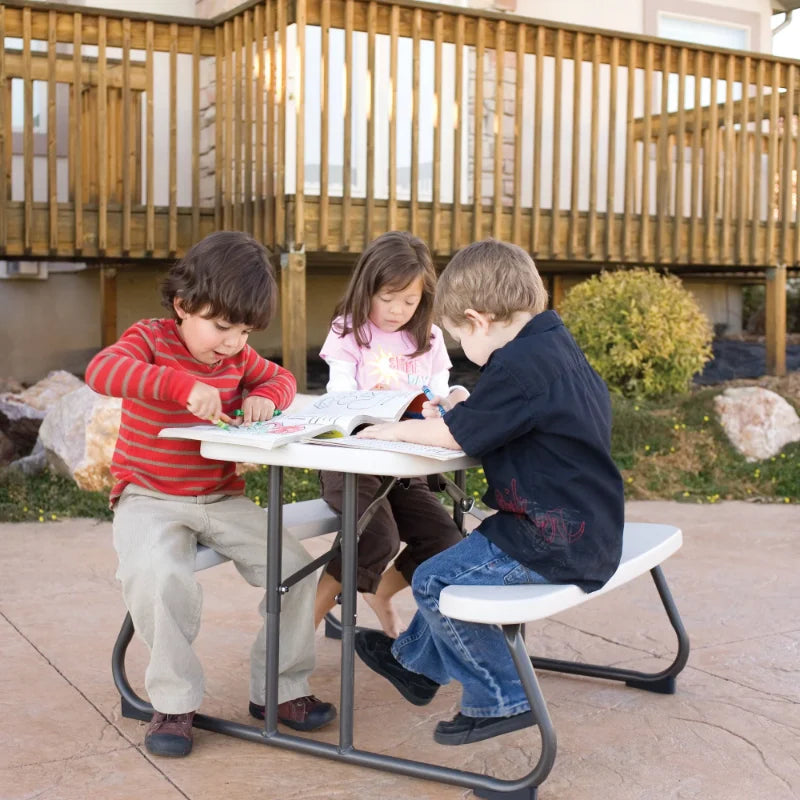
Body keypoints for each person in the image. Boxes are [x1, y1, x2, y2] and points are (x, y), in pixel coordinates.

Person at [353, 239, 624, 746]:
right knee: (457, 563)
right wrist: (459, 410)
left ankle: (501, 700)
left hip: (554, 537)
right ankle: (417, 667)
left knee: (435, 580)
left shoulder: (517, 368)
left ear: (477, 319)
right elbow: (495, 417)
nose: (462, 351)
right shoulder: (550, 345)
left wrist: (390, 430)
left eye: (457, 337)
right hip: (582, 525)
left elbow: (457, 436)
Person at [85, 231, 336, 758]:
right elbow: (101, 370)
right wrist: (178, 385)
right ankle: (174, 704)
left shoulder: (239, 360)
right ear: (182, 304)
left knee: (297, 569)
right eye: (221, 327)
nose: (232, 343)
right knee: (157, 573)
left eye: (243, 331)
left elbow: (283, 378)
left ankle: (279, 690)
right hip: (149, 496)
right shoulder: (150, 338)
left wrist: (266, 396)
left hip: (220, 498)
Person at [315, 231, 469, 638]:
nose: (397, 310)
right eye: (387, 297)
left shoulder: (429, 337)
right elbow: (339, 395)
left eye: (410, 300)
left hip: (405, 466)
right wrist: (372, 401)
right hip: (354, 461)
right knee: (377, 537)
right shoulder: (349, 330)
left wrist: (450, 398)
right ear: (367, 288)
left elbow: (437, 390)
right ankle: (298, 631)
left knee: (445, 539)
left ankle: (380, 593)